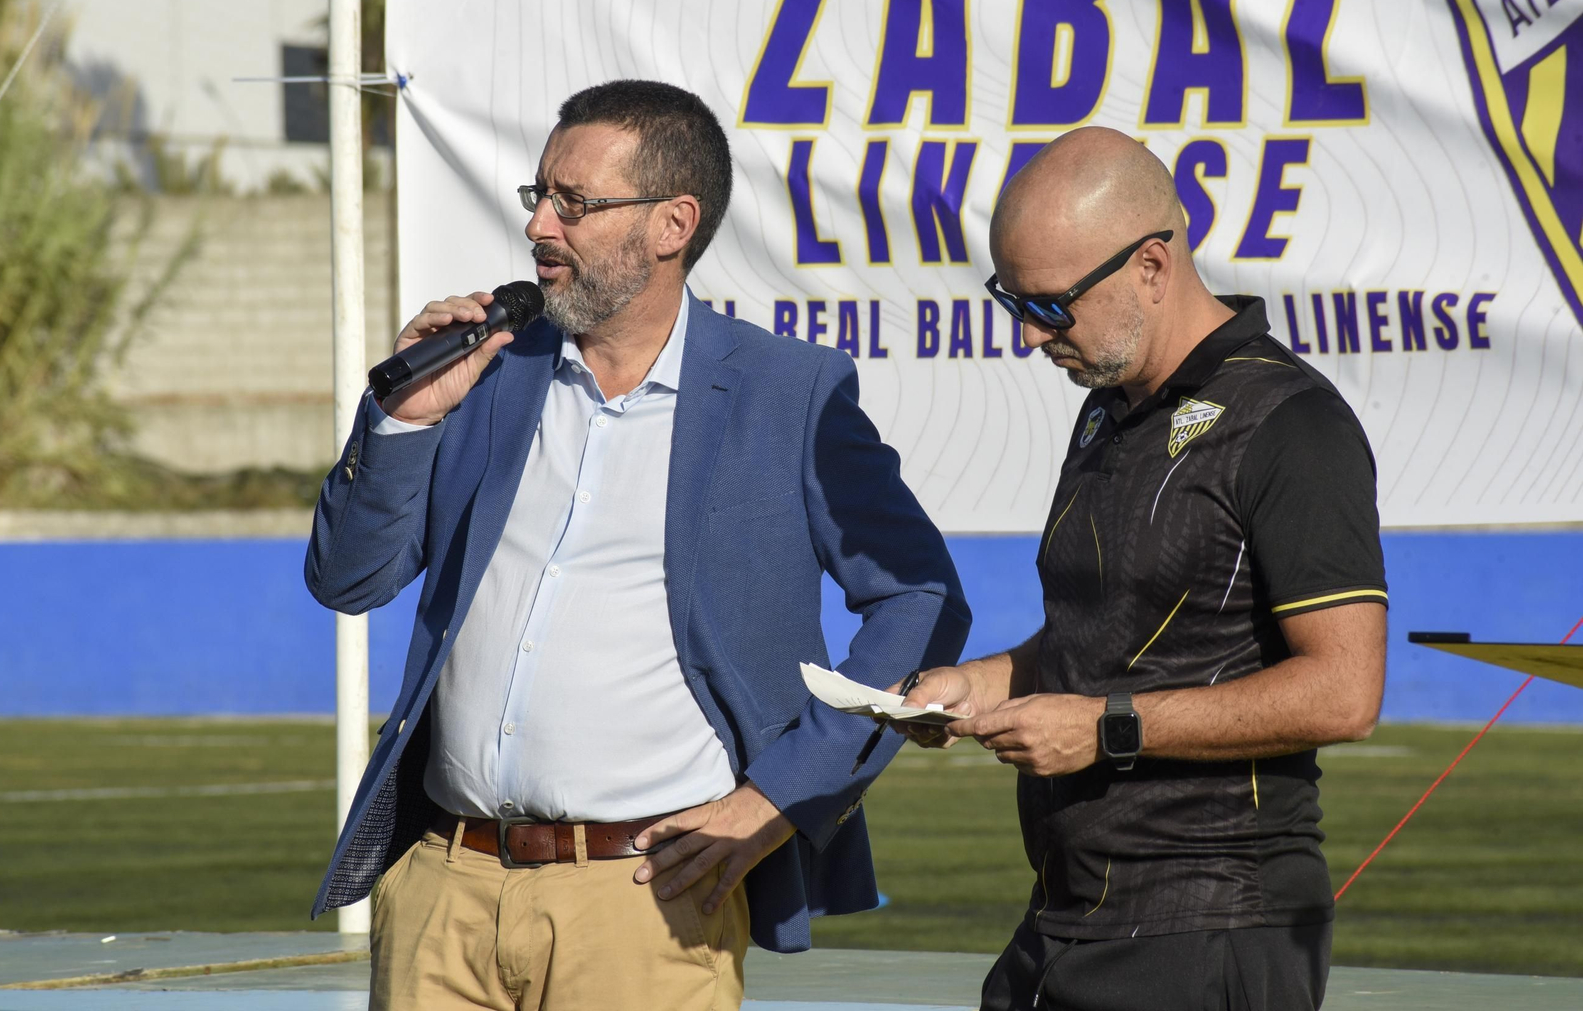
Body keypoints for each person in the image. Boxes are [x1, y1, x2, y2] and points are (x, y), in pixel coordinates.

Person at [305, 79, 971, 1010]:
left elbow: (922, 600)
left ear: (672, 224)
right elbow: (348, 580)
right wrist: (402, 424)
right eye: (538, 195)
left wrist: (776, 799)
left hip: (647, 899)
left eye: (574, 204)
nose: (541, 225)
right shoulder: (485, 375)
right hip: (442, 890)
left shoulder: (788, 391)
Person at [900, 127, 1387, 1011]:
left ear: (1153, 267)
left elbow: (1346, 692)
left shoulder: (1292, 424)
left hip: (1214, 925)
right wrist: (983, 681)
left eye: (1052, 304)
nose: (1031, 335)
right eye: (1014, 301)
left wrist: (1107, 728)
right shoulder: (1108, 411)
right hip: (1070, 914)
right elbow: (1111, 636)